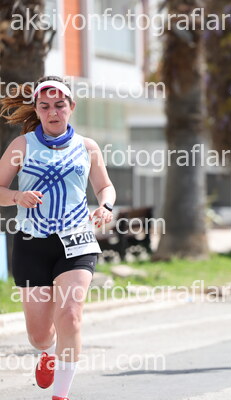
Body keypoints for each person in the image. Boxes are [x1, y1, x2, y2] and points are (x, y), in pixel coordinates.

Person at [0, 76, 115, 400]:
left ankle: (60, 396)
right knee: (39, 335)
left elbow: (105, 186)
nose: (53, 112)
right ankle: (48, 352)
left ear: (71, 107)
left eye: (59, 105)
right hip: (32, 242)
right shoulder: (22, 147)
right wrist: (17, 197)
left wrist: (106, 206)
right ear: (37, 109)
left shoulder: (88, 147)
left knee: (71, 316)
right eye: (45, 106)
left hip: (77, 239)